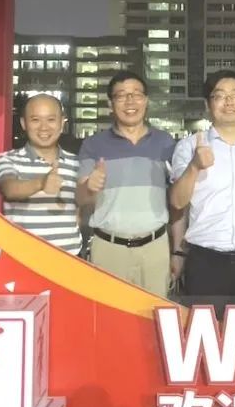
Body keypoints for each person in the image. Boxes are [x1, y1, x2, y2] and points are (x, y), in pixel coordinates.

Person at [169, 70, 235, 302]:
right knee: (204, 325)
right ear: (208, 105)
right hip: (206, 263)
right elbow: (177, 202)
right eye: (220, 96)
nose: (229, 102)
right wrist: (194, 166)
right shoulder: (189, 146)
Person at [75, 71, 180, 297]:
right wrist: (90, 187)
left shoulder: (165, 143)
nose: (130, 101)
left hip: (155, 248)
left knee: (154, 313)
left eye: (136, 94)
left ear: (146, 101)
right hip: (108, 249)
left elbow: (177, 202)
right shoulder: (93, 145)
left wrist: (178, 251)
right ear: (110, 104)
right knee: (109, 314)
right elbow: (82, 199)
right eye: (121, 95)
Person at [0, 93, 82, 255]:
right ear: (23, 123)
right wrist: (41, 183)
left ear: (62, 123)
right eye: (35, 120)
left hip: (71, 260)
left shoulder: (77, 163)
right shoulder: (7, 159)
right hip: (23, 260)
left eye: (51, 119)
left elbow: (79, 209)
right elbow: (8, 188)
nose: (44, 127)